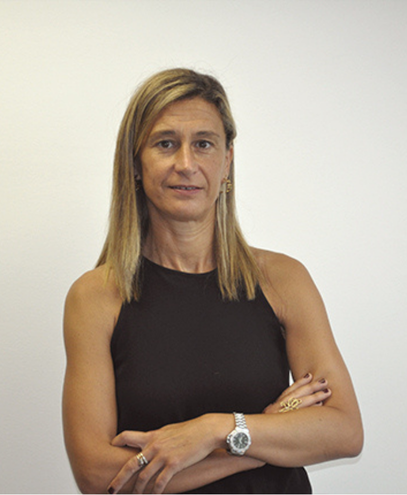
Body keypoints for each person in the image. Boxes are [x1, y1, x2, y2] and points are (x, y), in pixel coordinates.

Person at [62, 68, 363, 494]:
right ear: (135, 163)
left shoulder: (282, 280)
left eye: (203, 144)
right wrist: (261, 435)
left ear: (227, 162)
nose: (186, 164)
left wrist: (214, 430)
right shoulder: (97, 297)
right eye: (166, 144)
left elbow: (344, 430)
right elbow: (97, 476)